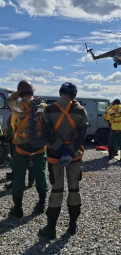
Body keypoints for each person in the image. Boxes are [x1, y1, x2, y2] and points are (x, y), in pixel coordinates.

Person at [38, 82, 88, 239]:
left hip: (55, 155)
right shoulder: (80, 111)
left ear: (60, 92)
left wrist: (60, 147)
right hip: (74, 156)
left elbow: (47, 134)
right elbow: (82, 136)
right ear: (74, 94)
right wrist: (70, 149)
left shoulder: (50, 109)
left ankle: (51, 228)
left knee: (57, 189)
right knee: (74, 189)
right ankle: (72, 225)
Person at [7, 80, 48, 218]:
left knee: (19, 175)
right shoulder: (42, 106)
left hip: (21, 146)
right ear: (32, 92)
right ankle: (42, 203)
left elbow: (9, 100)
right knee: (40, 173)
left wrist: (18, 92)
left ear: (21, 92)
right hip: (38, 146)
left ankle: (18, 208)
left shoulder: (17, 107)